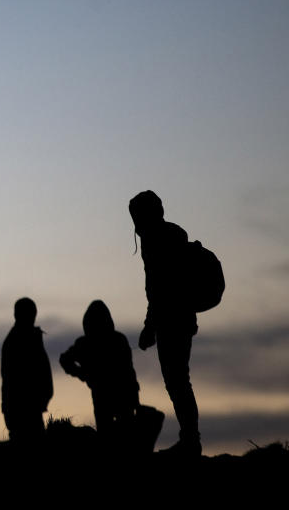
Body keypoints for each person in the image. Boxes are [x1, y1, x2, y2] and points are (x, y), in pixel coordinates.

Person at [129, 190, 201, 456]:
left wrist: (150, 326)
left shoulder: (155, 240)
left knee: (177, 381)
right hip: (180, 318)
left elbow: (158, 288)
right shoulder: (172, 235)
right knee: (178, 380)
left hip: (172, 320)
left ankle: (191, 441)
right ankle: (190, 438)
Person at [59, 300, 139, 443]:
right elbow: (65, 360)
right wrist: (81, 374)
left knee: (119, 435)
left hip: (120, 394)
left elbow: (129, 371)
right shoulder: (110, 340)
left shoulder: (109, 341)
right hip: (109, 395)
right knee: (114, 436)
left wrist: (82, 374)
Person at [1, 297, 53, 442]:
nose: (33, 316)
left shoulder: (29, 337)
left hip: (29, 406)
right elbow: (12, 378)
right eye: (30, 312)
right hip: (21, 408)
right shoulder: (17, 340)